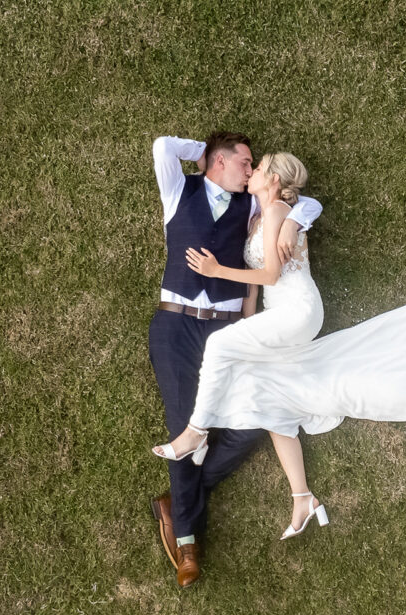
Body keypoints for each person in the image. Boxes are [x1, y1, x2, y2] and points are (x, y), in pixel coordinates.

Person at [153, 152, 406, 545]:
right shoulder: (260, 214)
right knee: (269, 394)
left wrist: (216, 270)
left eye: (258, 166)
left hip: (296, 311)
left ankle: (197, 432)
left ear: (274, 179)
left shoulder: (276, 210)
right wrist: (248, 319)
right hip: (277, 315)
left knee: (221, 345)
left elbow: (273, 274)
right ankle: (302, 499)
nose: (253, 169)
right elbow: (258, 281)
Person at [148, 132, 322, 588]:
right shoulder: (178, 191)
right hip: (176, 326)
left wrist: (290, 221)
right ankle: (187, 540)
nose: (249, 171)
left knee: (250, 424)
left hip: (228, 326)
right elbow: (163, 146)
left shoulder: (253, 206)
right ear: (219, 161)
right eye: (245, 162)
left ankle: (181, 497)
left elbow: (305, 205)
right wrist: (201, 152)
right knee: (183, 418)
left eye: (254, 166)